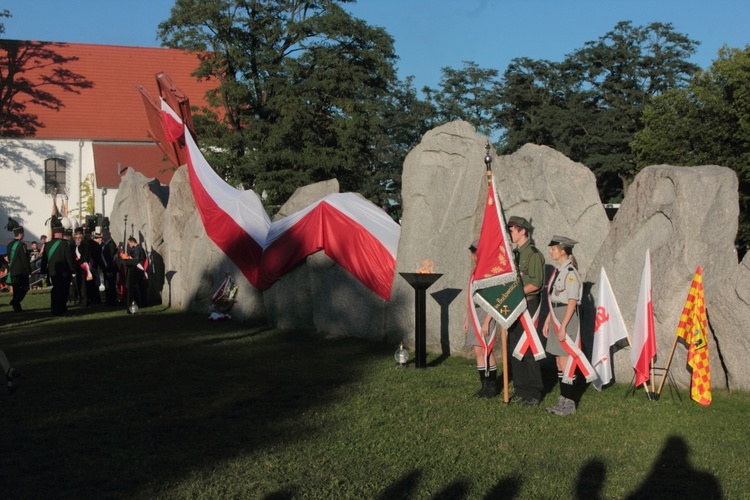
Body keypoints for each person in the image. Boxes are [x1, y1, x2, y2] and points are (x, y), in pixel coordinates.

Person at [506, 216, 545, 406]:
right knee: (515, 347)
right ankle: (521, 389)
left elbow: (536, 283)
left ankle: (534, 392)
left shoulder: (532, 255)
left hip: (528, 304)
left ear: (523, 231)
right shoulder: (515, 254)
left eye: (512, 230)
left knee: (528, 348)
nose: (510, 233)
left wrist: (515, 292)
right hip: (516, 304)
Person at [542, 235, 583, 416]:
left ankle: (570, 402)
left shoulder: (571, 273)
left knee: (566, 361)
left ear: (562, 250)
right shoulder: (558, 271)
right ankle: (563, 398)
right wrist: (548, 320)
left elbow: (572, 302)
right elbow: (554, 300)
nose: (550, 251)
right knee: (559, 361)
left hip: (566, 317)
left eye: (553, 248)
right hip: (556, 315)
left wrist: (563, 326)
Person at [463, 240, 498, 398]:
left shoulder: (490, 272)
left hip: (486, 314)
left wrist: (487, 321)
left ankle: (492, 386)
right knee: (477, 350)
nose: (474, 256)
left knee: (486, 349)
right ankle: (484, 385)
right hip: (474, 314)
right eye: (473, 253)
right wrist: (466, 318)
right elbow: (469, 297)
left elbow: (495, 299)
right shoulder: (475, 272)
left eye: (476, 252)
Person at [40, 226, 75, 315]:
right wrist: (72, 269)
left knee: (55, 289)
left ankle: (54, 307)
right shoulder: (64, 244)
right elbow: (68, 258)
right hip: (64, 272)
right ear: (60, 233)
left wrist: (43, 271)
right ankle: (61, 307)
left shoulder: (47, 245)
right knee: (63, 290)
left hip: (52, 271)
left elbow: (44, 260)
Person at [6, 225, 32, 312]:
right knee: (25, 287)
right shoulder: (22, 245)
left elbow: (9, 259)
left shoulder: (9, 245)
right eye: (23, 234)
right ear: (20, 234)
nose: (23, 235)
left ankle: (17, 308)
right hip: (21, 272)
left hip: (13, 271)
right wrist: (29, 269)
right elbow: (24, 259)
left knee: (16, 290)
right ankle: (14, 302)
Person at [122, 236, 148, 311]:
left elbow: (136, 260)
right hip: (140, 270)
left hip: (138, 270)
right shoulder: (139, 248)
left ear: (132, 242)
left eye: (129, 243)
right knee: (141, 287)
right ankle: (143, 302)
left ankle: (137, 302)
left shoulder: (137, 249)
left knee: (134, 286)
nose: (129, 245)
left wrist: (128, 258)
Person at [99, 230, 119, 306]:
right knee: (107, 284)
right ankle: (108, 300)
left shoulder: (111, 244)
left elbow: (111, 257)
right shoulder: (104, 244)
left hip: (110, 268)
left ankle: (112, 301)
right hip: (105, 268)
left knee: (111, 285)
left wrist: (109, 269)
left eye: (103, 235)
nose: (102, 237)